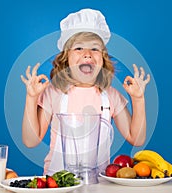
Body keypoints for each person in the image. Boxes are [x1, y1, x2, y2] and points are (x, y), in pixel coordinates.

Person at [20, 8, 151, 175]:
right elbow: (30, 141)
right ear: (66, 58)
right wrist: (31, 97)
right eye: (79, 48)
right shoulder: (54, 93)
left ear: (103, 59)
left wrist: (138, 99)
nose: (87, 55)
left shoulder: (110, 96)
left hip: (100, 185)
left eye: (95, 49)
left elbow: (137, 139)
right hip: (58, 184)